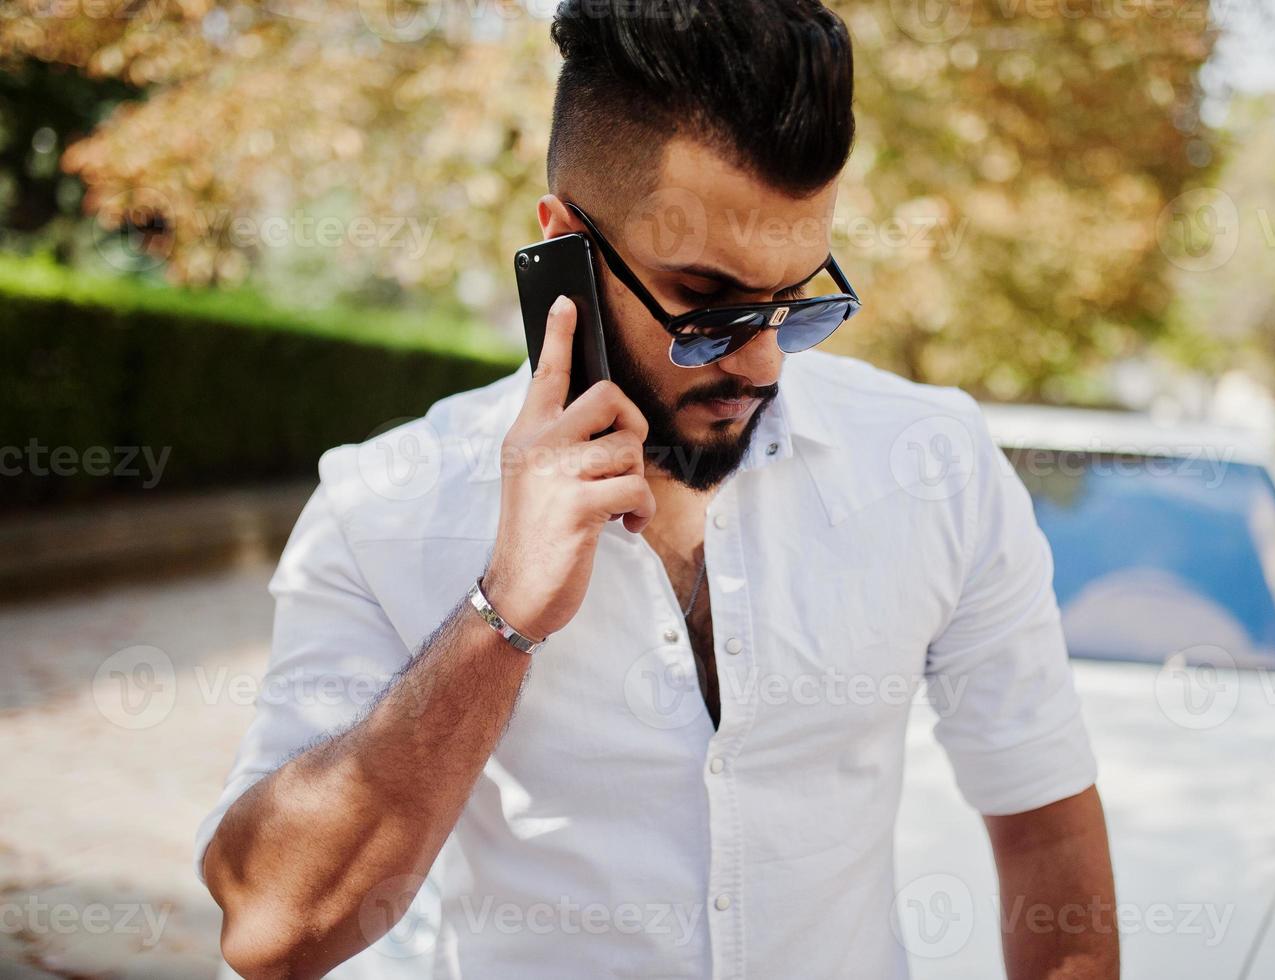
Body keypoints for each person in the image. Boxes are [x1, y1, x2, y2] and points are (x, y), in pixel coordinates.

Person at [197, 2, 1117, 977]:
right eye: (708, 305)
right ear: (563, 247)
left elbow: (1045, 828)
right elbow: (272, 929)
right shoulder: (384, 504)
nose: (762, 363)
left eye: (796, 300)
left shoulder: (935, 462)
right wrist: (502, 613)